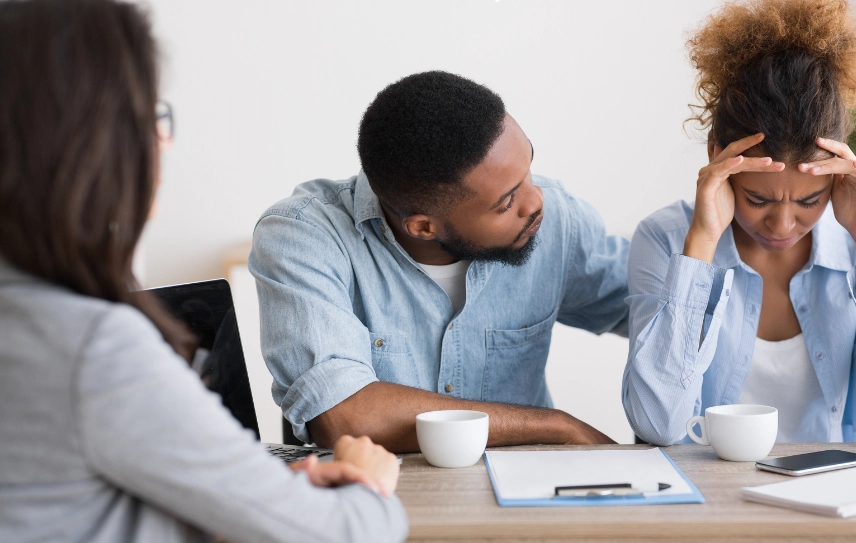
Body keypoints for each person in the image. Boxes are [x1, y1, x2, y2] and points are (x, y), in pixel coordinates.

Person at [0, 1, 406, 542]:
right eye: (149, 115)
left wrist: (248, 493)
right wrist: (367, 487)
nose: (163, 141)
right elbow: (339, 535)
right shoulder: (92, 348)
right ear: (87, 140)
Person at [622, 0, 856, 447]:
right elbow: (656, 425)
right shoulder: (666, 240)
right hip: (708, 504)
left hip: (833, 500)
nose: (781, 224)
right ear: (717, 157)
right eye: (757, 198)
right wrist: (701, 244)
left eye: (810, 200)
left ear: (838, 170)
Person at [249, 71, 629, 452]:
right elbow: (345, 416)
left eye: (528, 169)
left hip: (524, 496)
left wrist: (690, 242)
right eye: (507, 202)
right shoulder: (303, 236)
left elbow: (657, 308)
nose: (536, 202)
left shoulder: (556, 219)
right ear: (424, 227)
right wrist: (556, 426)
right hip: (387, 499)